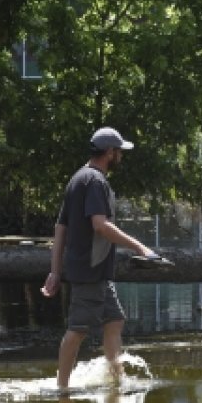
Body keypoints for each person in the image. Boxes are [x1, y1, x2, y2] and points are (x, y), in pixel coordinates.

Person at [41, 126, 159, 389]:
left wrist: (55, 271)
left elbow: (61, 228)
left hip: (94, 271)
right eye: (119, 152)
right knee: (78, 329)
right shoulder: (95, 182)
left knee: (114, 320)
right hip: (90, 269)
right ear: (109, 152)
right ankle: (61, 388)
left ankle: (116, 380)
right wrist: (141, 248)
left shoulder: (77, 179)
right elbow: (100, 225)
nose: (121, 157)